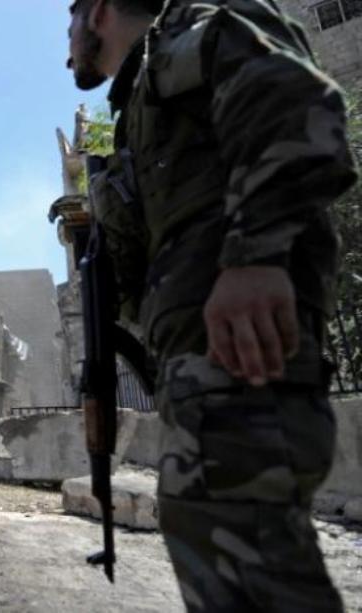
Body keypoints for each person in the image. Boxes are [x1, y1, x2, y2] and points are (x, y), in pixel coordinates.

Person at [66, 0, 357, 610]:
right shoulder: (142, 103)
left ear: (96, 12)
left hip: (238, 343)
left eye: (68, 19)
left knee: (245, 561)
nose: (66, 43)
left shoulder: (187, 36)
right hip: (204, 356)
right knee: (224, 548)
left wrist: (255, 255)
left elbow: (301, 101)